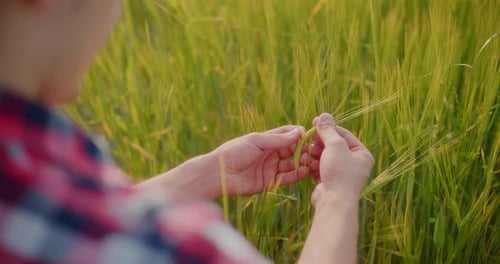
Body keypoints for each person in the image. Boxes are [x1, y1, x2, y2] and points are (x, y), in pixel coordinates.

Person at [0, 1, 375, 263]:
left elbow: (71, 218)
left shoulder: (26, 183)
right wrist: (337, 201)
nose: (116, 13)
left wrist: (209, 173)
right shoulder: (172, 249)